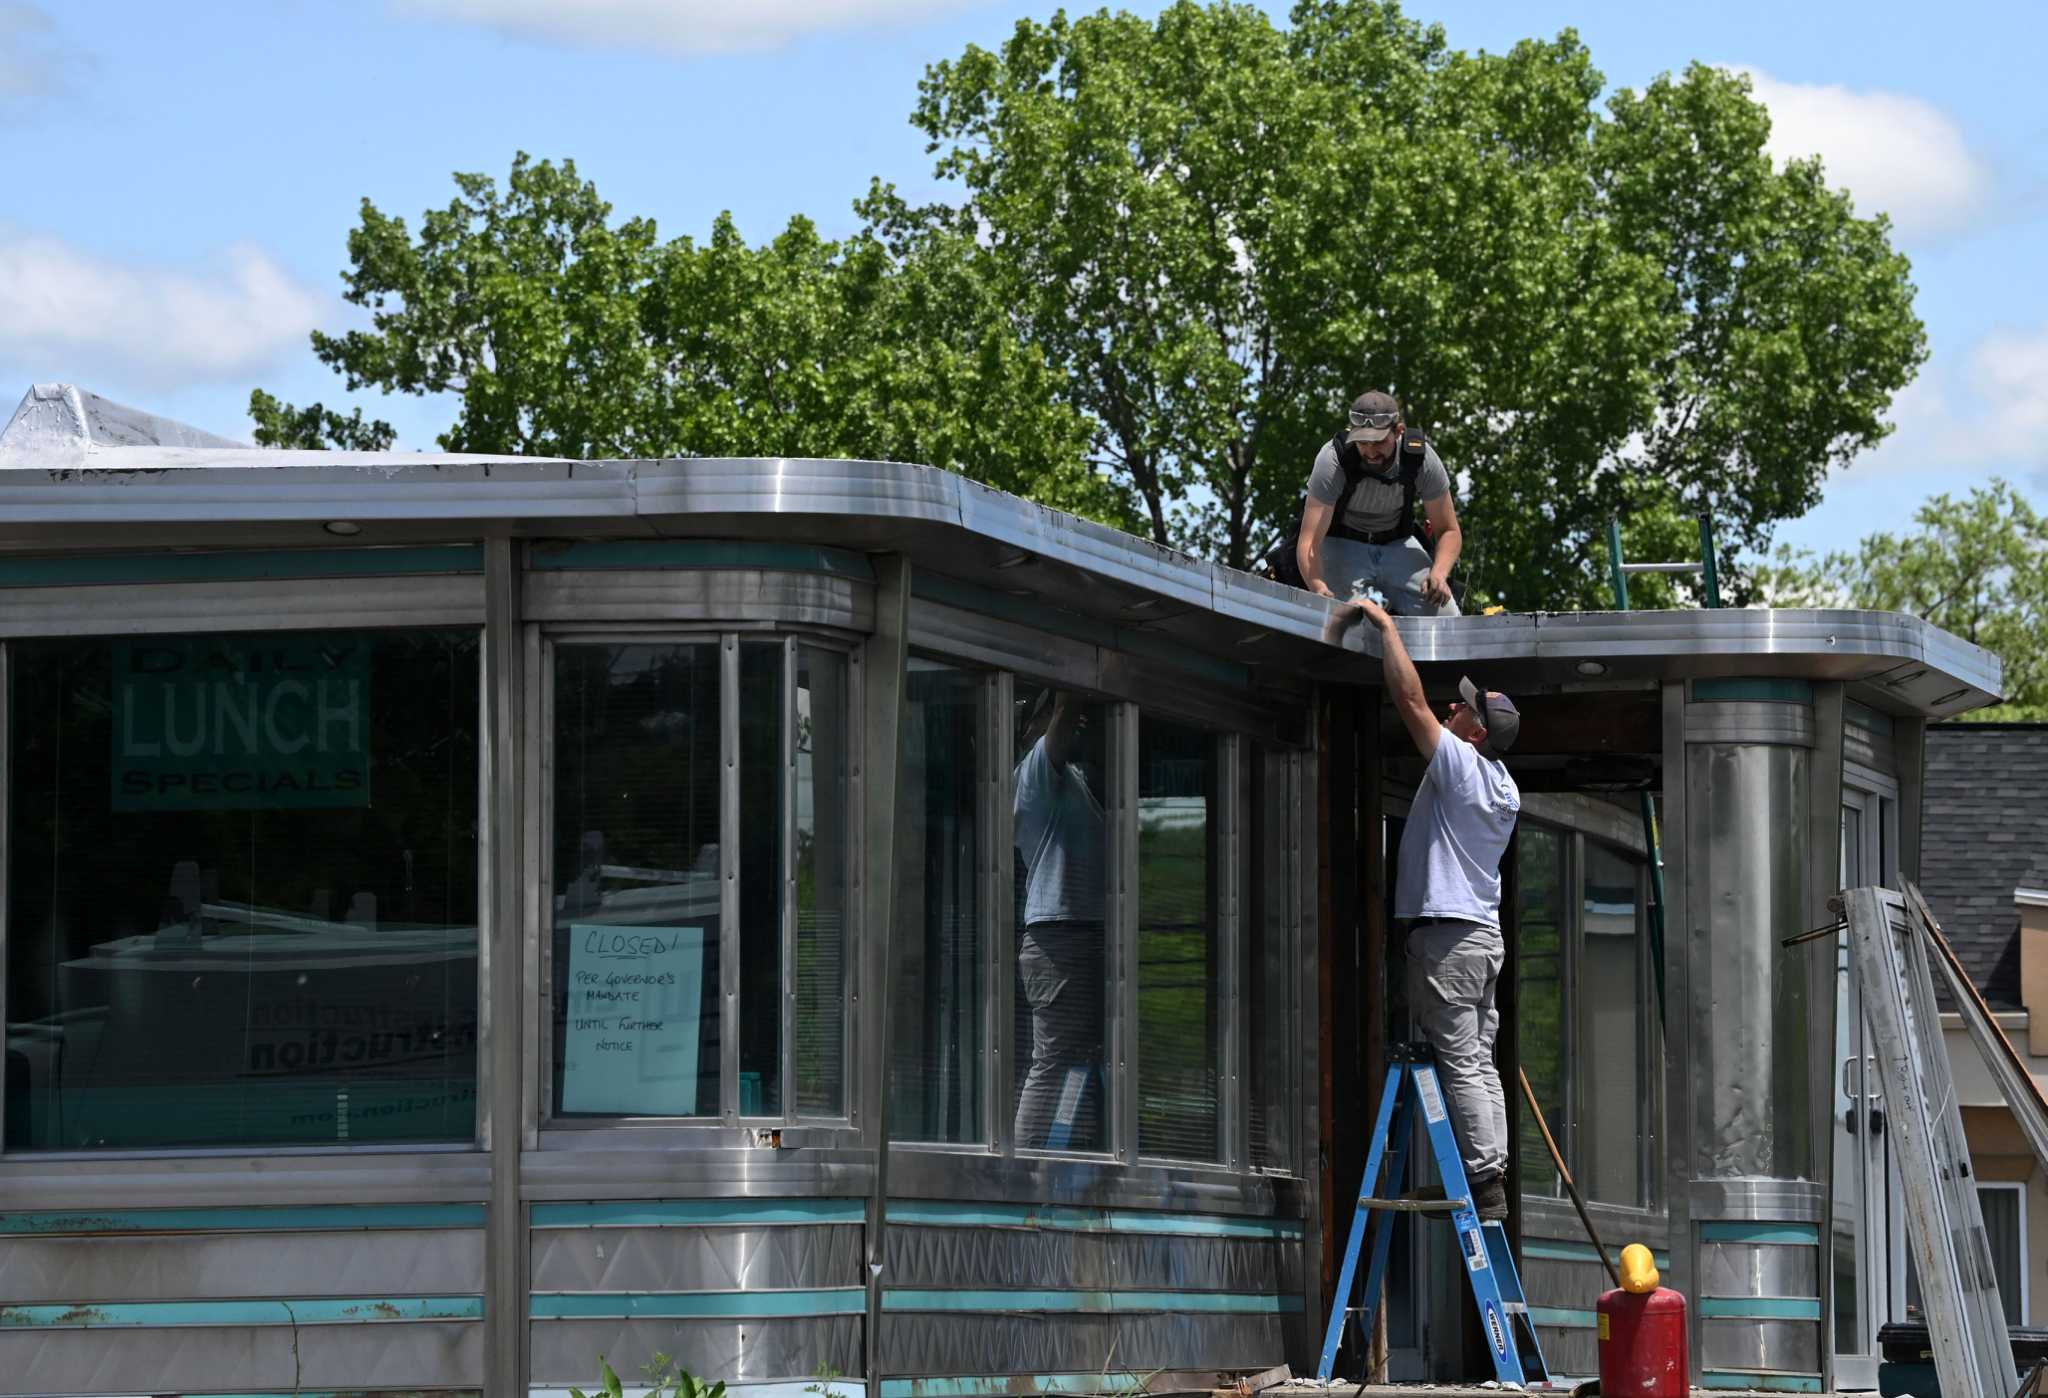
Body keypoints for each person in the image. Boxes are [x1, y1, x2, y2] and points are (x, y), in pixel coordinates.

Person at [1357, 595, 1521, 1218]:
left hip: (1450, 941)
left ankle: (1484, 1181)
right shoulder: (1504, 785)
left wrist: (1388, 629)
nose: (1455, 706)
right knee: (1479, 1062)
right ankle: (1494, 1168)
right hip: (1480, 938)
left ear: (1476, 732)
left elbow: (1411, 703)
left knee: (1458, 1061)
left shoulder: (1462, 768)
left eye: (1466, 708)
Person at [1012, 687, 1107, 1149]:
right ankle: (1024, 1170)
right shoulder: (1034, 772)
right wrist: (1074, 680)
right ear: (1034, 725)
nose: (1070, 725)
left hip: (1077, 934)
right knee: (1051, 1062)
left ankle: (1066, 1157)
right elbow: (1067, 713)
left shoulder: (1074, 779)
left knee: (1076, 1059)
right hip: (1059, 936)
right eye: (1048, 716)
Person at [1296, 390, 1463, 616]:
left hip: (1398, 545)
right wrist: (1318, 587)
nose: (1370, 451)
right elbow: (1309, 542)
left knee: (1447, 616)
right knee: (1344, 623)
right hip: (1342, 545)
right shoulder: (1333, 459)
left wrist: (1439, 573)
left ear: (1399, 431)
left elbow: (1449, 530)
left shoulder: (1419, 458)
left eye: (1379, 442)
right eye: (1362, 442)